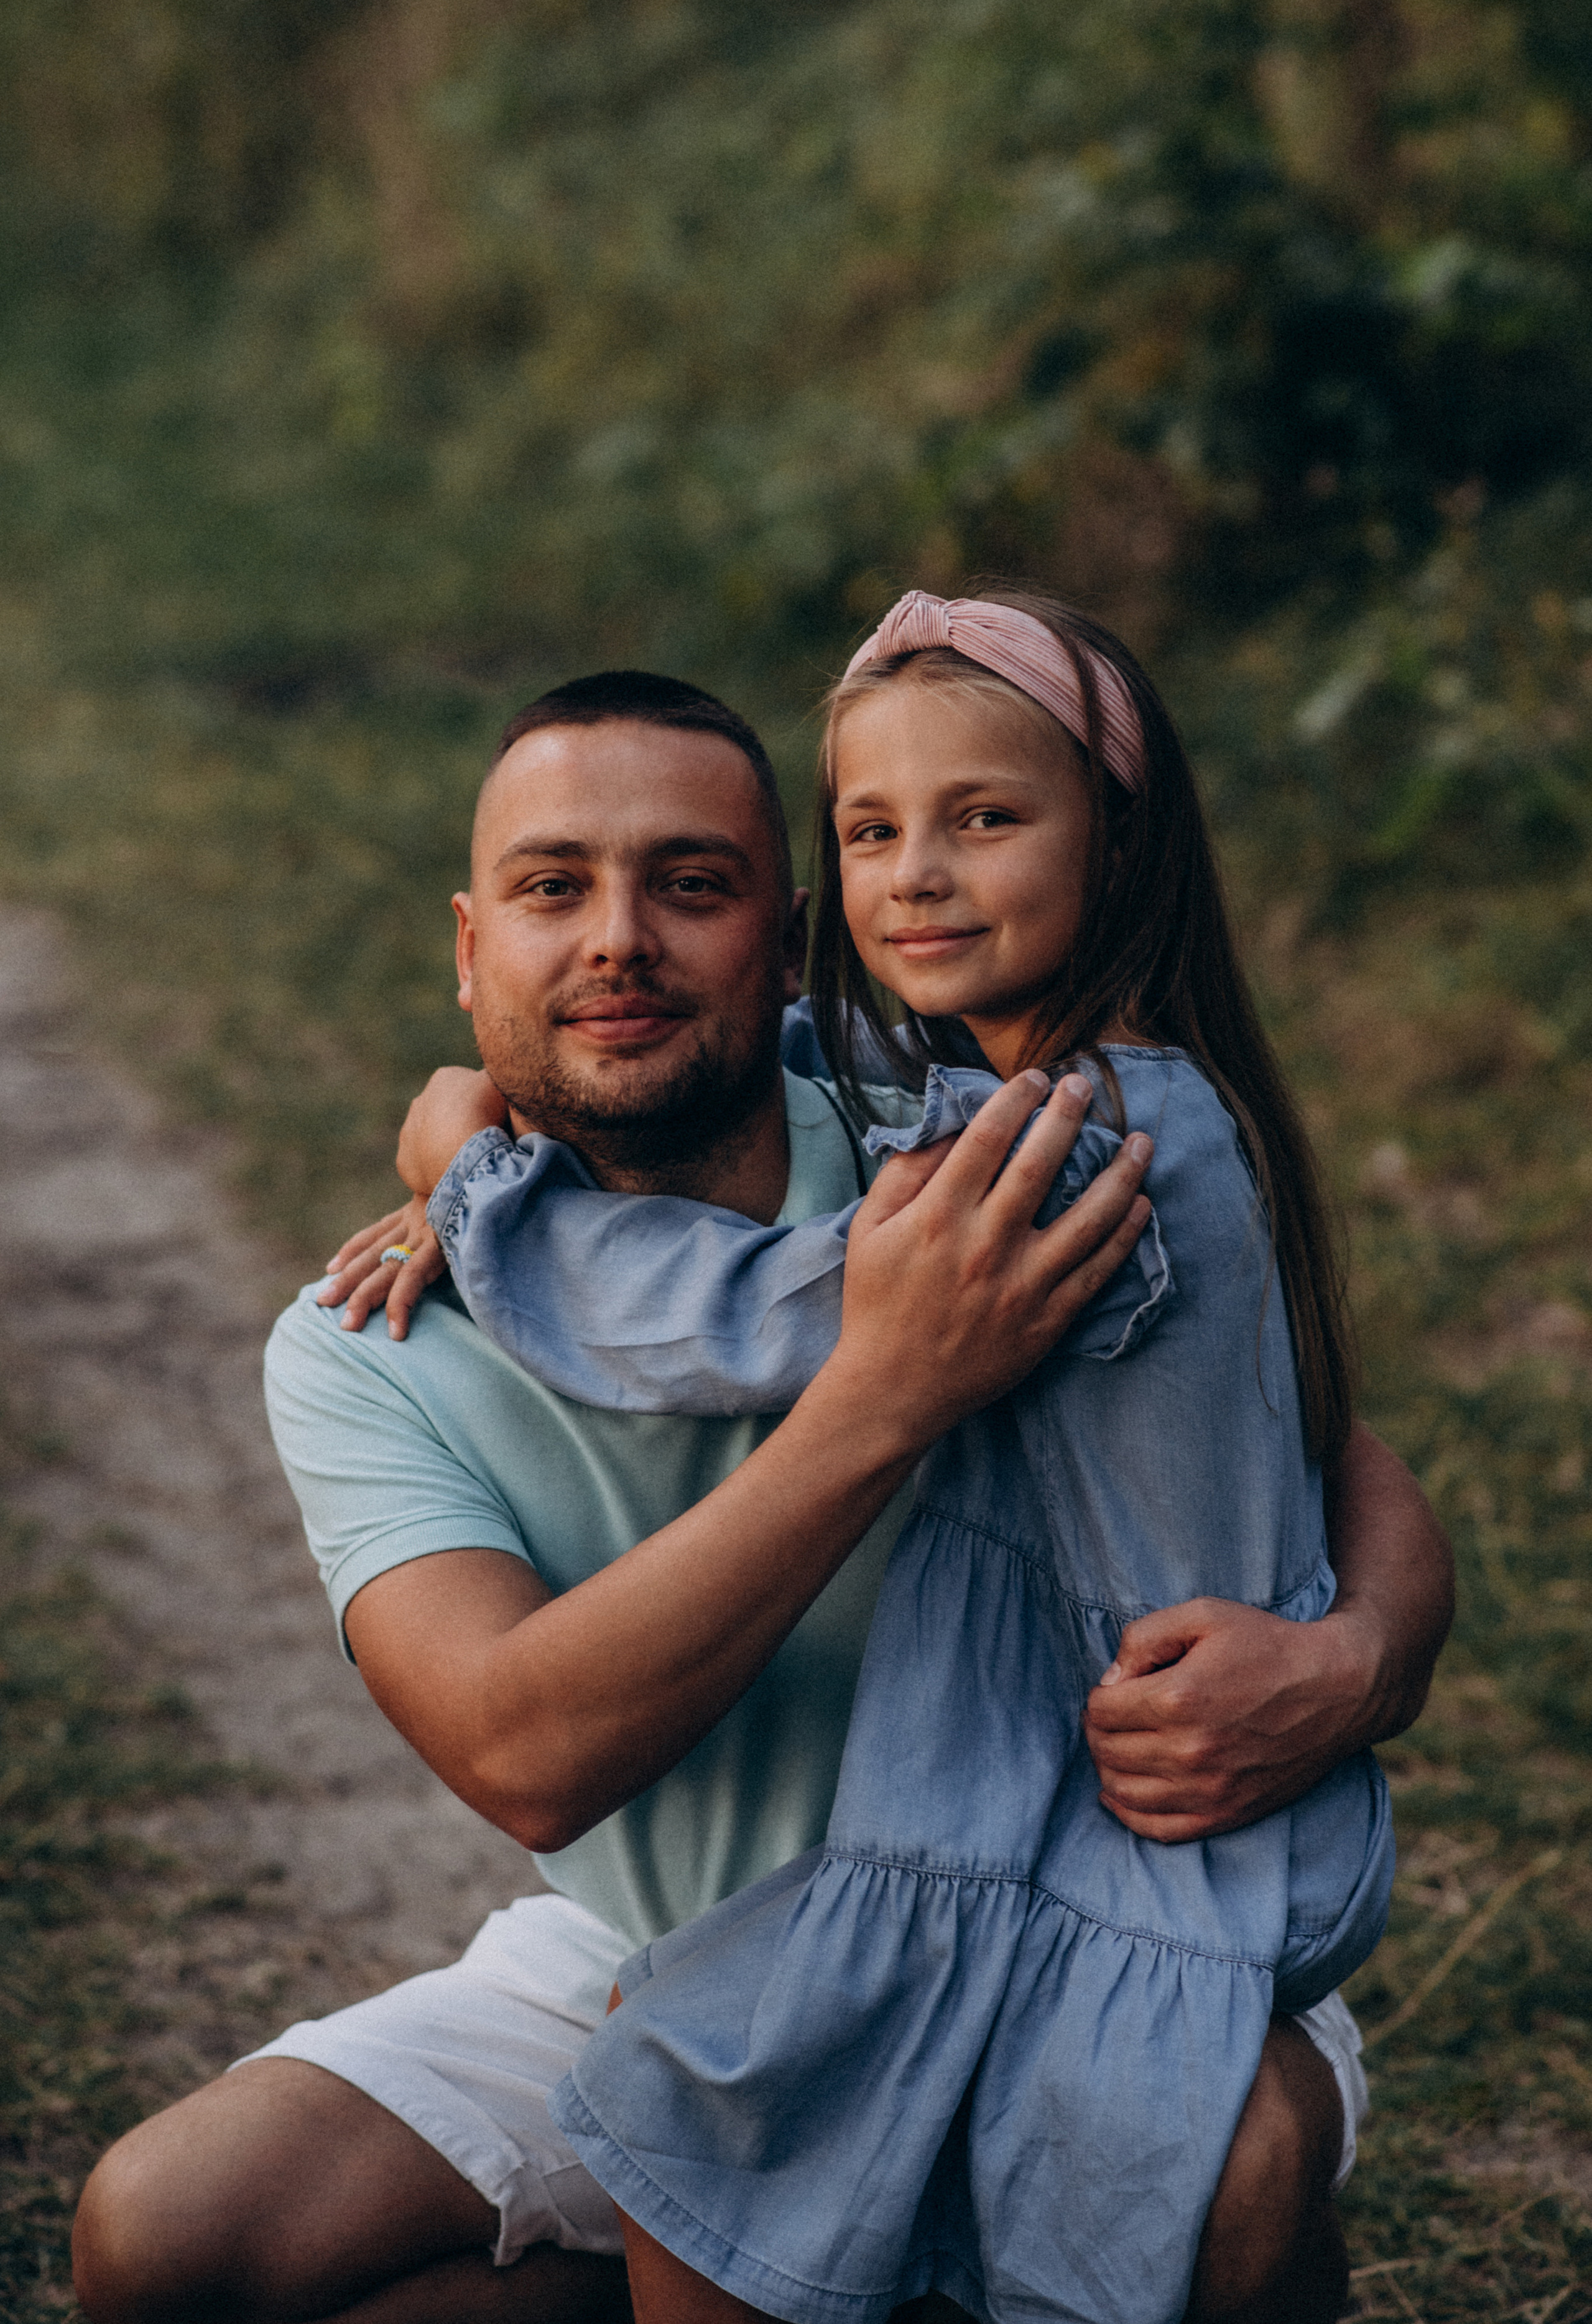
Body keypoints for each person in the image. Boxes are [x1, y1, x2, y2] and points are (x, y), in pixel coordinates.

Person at [70, 665, 1452, 2324]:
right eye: (552, 887)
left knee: (1234, 2160)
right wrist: (886, 1391)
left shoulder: (947, 1147)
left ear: (793, 944)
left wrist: (1356, 1658)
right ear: (467, 947)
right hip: (665, 1959)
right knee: (167, 2242)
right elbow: (524, 1752)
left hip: (1069, 1919)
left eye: (691, 884)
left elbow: (1320, 1438)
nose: (617, 940)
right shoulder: (369, 1336)